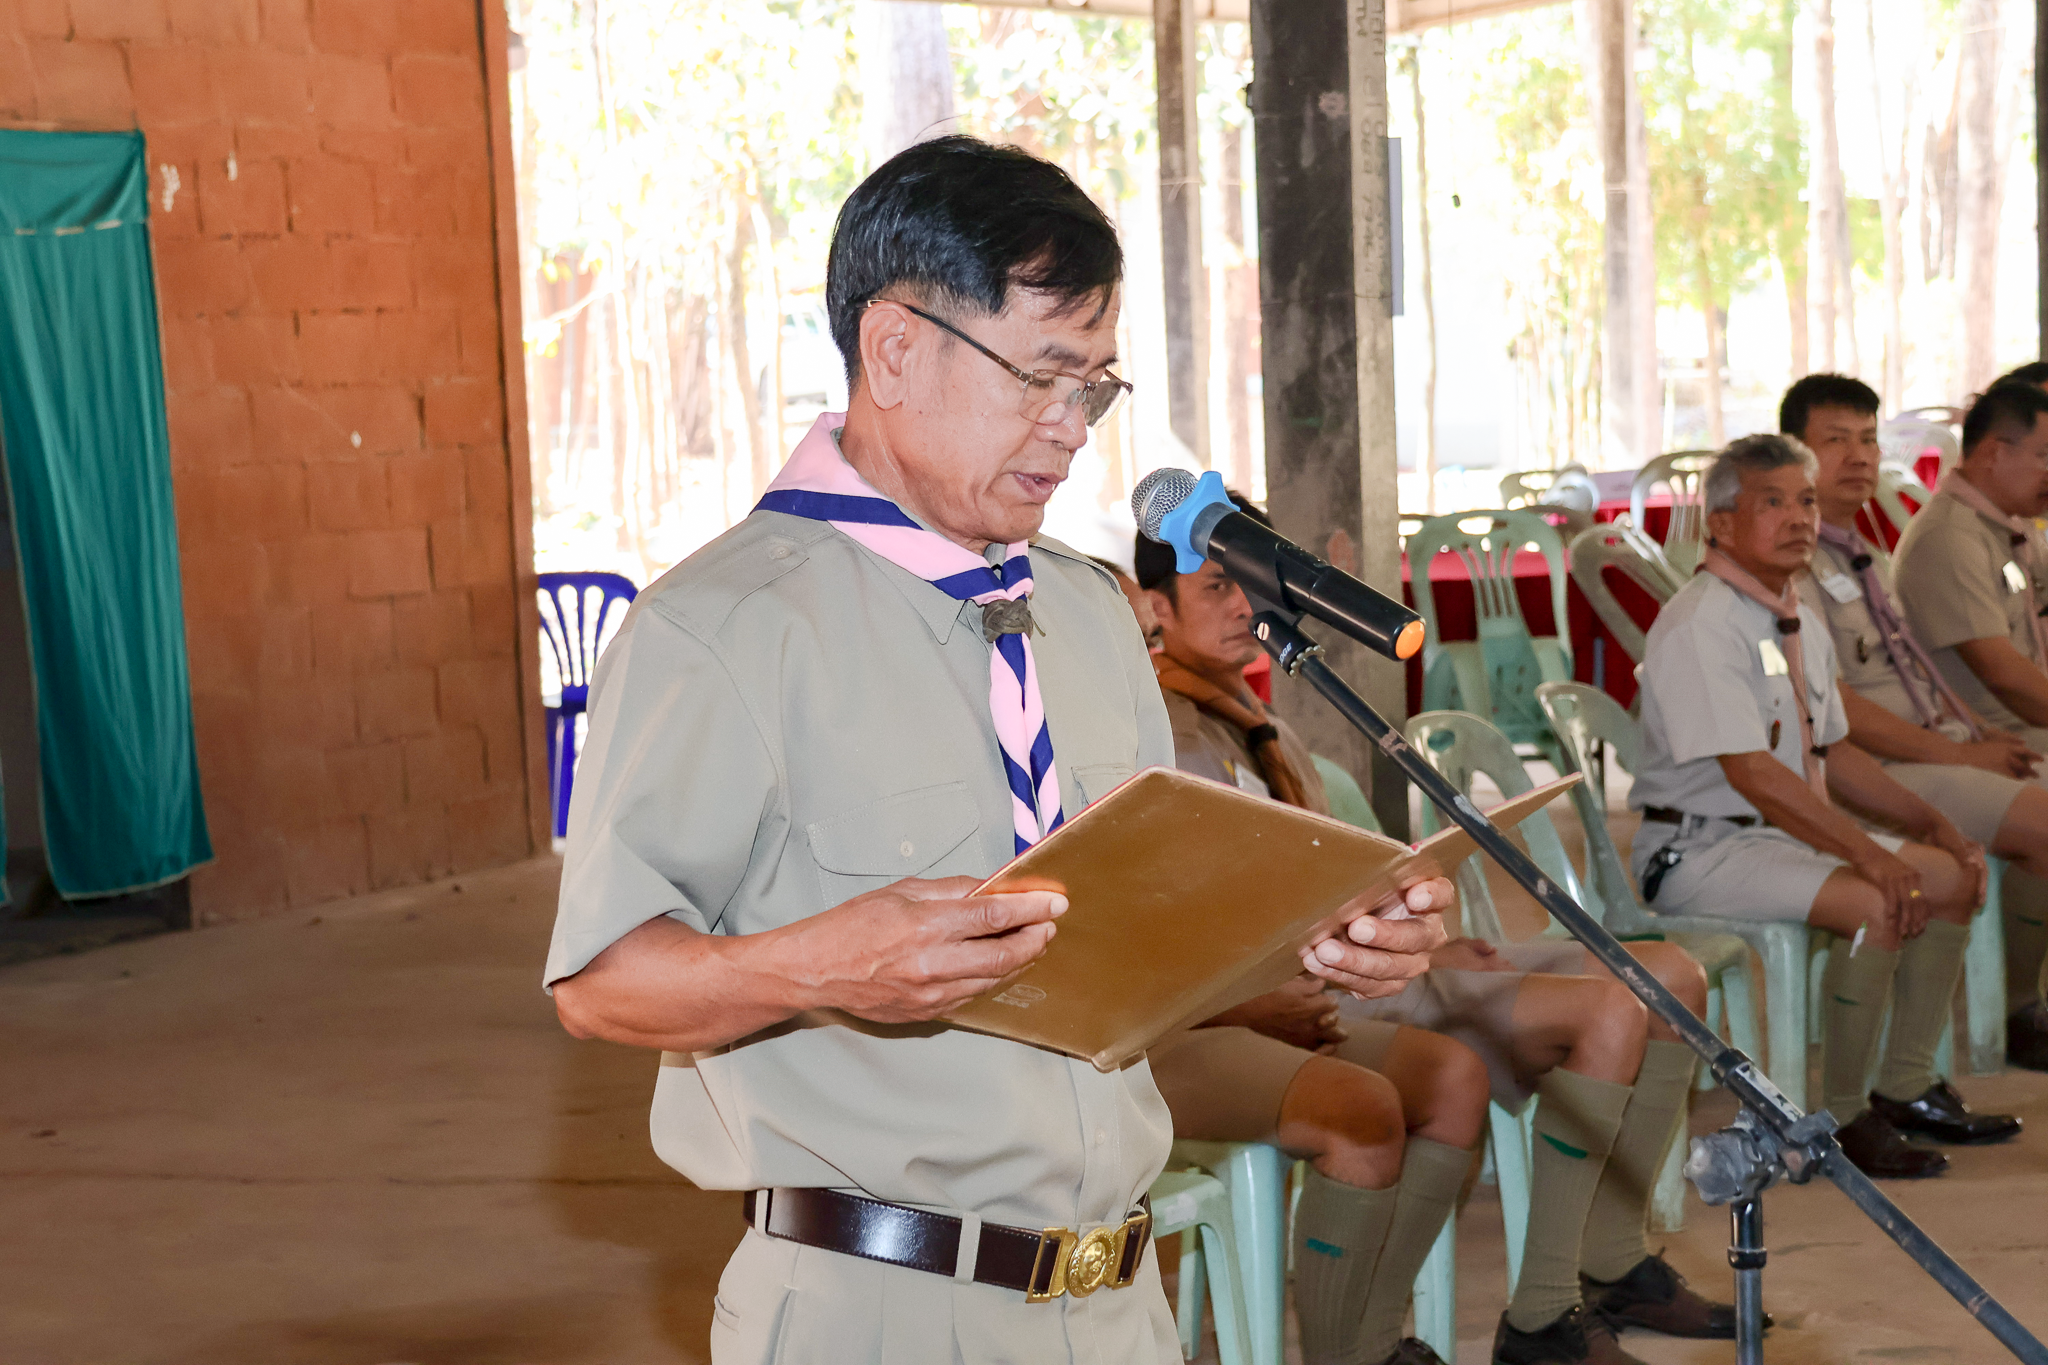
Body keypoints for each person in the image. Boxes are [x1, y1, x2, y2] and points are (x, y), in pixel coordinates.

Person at [539, 137, 1453, 1365]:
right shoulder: (724, 628)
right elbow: (600, 983)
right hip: (880, 1309)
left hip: (1119, 1300)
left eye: (1092, 386)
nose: (1068, 429)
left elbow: (1135, 948)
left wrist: (1325, 938)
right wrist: (817, 967)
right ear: (893, 348)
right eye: (1038, 376)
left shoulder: (1083, 610)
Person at [1135, 504, 1739, 1365]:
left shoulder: (1264, 716)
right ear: (1156, 607)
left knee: (1668, 976)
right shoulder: (1163, 733)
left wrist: (1418, 935)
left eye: (1253, 584)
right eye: (1215, 587)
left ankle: (1603, 1263)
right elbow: (1201, 917)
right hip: (1275, 992)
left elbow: (1320, 880)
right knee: (1597, 1015)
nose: (1243, 605)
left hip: (1343, 962)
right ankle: (1522, 1317)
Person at [1098, 556, 1488, 1365]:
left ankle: (1370, 1336)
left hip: (1244, 995)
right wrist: (1247, 1005)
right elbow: (1118, 960)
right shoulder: (1102, 764)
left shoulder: (1216, 720)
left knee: (1453, 1074)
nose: (1149, 659)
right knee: (1363, 1110)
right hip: (1153, 1038)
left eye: (1145, 639)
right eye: (1132, 640)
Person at [1631, 434, 2016, 1182]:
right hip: (1698, 851)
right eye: (1771, 502)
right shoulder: (1703, 623)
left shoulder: (1793, 613)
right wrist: (1868, 852)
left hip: (1775, 836)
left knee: (1953, 875)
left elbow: (1831, 752)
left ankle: (1905, 1085)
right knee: (1876, 898)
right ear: (1721, 524)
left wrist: (1933, 824)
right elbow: (1753, 774)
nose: (1798, 518)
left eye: (1805, 501)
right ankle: (1839, 1119)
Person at [1785, 373, 2048, 1078]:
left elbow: (1913, 676)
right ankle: (2021, 1012)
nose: (1859, 457)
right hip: (1870, 771)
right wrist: (1959, 755)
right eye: (1835, 441)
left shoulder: (1860, 550)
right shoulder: (1794, 564)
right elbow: (1835, 709)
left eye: (1868, 440)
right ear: (1794, 454)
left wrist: (1973, 739)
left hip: (1934, 746)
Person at [1892, 382, 2048, 1069]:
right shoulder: (1951, 538)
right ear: (1993, 453)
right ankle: (2021, 1007)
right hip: (1985, 734)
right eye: (2046, 456)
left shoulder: (2009, 528)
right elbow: (2004, 675)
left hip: (2013, 728)